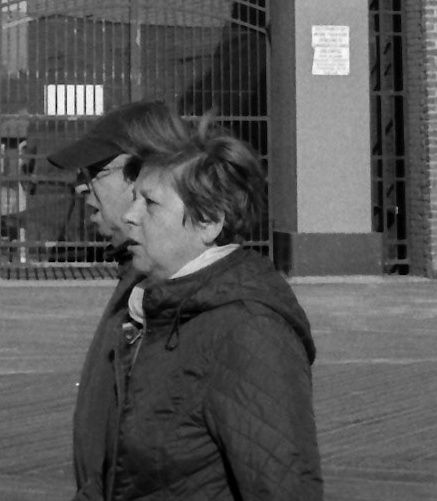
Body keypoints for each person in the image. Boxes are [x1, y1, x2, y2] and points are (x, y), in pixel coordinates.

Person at [109, 111, 322, 500]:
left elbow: (282, 485)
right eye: (134, 197)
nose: (129, 215)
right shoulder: (156, 307)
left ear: (208, 221)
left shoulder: (250, 333)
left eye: (150, 203)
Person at [47, 100, 189, 501]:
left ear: (144, 175)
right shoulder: (140, 279)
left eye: (95, 172)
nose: (81, 187)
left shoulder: (183, 292)